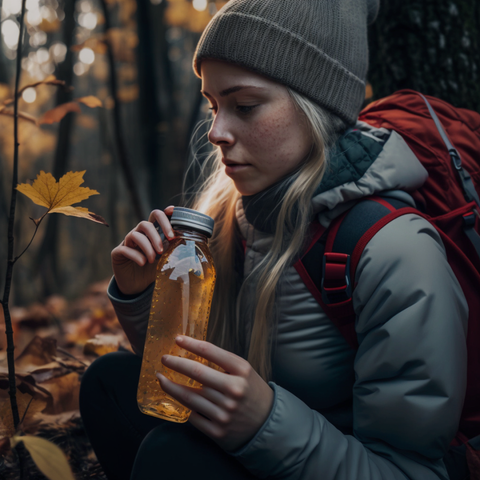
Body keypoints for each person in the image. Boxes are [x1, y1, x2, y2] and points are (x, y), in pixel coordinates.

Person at [79, 0, 469, 479]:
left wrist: (264, 424)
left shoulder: (394, 250)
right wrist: (144, 298)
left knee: (171, 457)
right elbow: (193, 375)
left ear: (316, 106)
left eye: (244, 106)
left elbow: (412, 472)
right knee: (109, 385)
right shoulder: (233, 216)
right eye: (214, 105)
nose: (217, 132)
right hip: (272, 454)